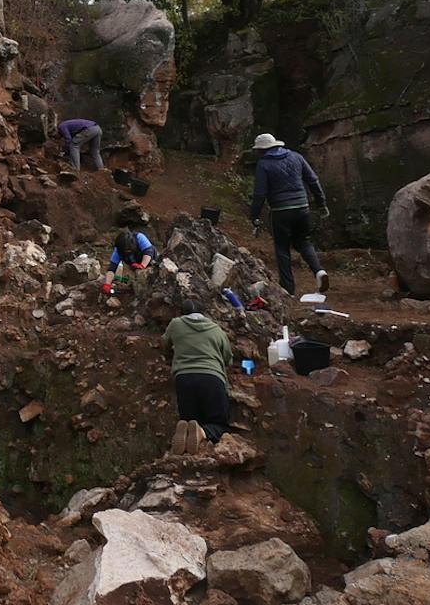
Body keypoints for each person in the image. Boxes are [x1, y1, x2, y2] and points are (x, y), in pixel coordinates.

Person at [248, 132, 329, 298]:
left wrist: (254, 215)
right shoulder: (296, 157)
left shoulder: (264, 164)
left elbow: (260, 194)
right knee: (304, 242)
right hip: (302, 207)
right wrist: (322, 204)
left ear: (262, 150)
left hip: (281, 211)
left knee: (282, 248)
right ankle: (319, 271)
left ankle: (288, 289)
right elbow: (313, 180)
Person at [164, 309, 234, 440]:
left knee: (190, 421)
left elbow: (165, 343)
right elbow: (228, 359)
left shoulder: (176, 324)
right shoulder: (217, 330)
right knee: (219, 424)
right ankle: (202, 433)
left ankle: (188, 439)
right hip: (212, 378)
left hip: (183, 378)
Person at [103, 223, 155, 306]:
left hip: (151, 261)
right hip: (134, 266)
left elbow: (149, 252)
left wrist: (142, 265)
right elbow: (112, 268)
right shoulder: (118, 250)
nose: (127, 252)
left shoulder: (140, 238)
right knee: (136, 282)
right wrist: (107, 284)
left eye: (129, 250)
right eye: (125, 251)